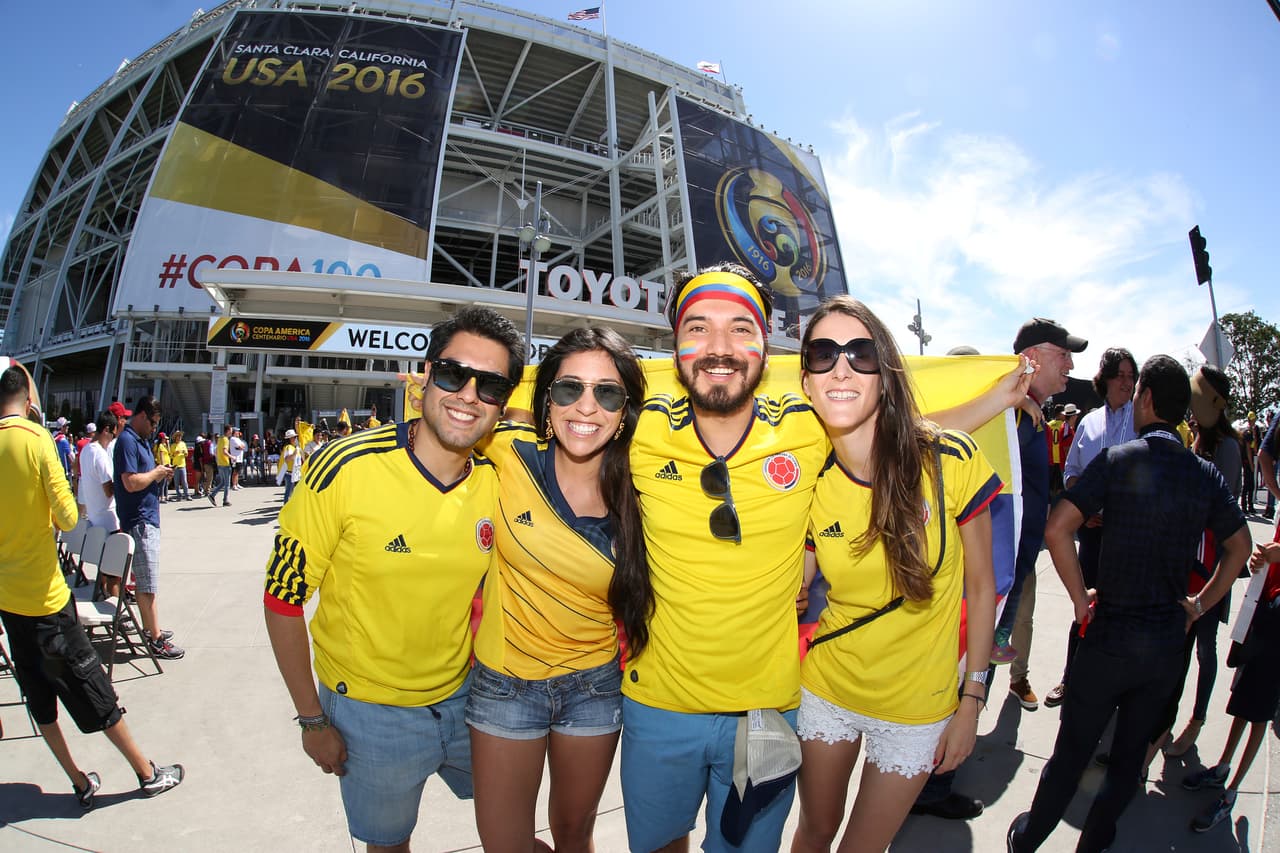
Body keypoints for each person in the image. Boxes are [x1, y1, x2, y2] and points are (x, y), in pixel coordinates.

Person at [263, 306, 524, 853]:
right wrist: (312, 721)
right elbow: (283, 603)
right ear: (426, 375)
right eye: (454, 374)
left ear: (503, 401)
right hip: (367, 714)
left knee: (514, 833)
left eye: (491, 385)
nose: (468, 396)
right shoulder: (344, 467)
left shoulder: (499, 481)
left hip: (467, 698)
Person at [621, 263, 830, 852]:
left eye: (741, 328)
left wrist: (997, 397)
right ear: (674, 347)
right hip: (657, 708)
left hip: (765, 714)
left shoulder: (807, 429)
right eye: (698, 328)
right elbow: (544, 420)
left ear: (767, 345)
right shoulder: (639, 429)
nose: (719, 349)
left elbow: (897, 437)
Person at [1007, 355, 1251, 853]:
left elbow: (1057, 527)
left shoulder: (1120, 460)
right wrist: (1199, 606)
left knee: (1072, 753)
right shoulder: (1204, 473)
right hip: (1164, 646)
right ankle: (1093, 845)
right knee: (1126, 762)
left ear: (1144, 399)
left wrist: (1080, 599)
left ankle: (1030, 839)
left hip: (1110, 632)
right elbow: (1240, 547)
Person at [789, 297, 1000, 852]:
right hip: (828, 690)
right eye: (823, 354)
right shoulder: (809, 483)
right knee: (812, 833)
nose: (841, 367)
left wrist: (971, 700)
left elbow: (982, 590)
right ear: (806, 380)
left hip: (919, 707)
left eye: (860, 353)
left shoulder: (949, 459)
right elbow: (794, 588)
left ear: (885, 375)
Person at [467, 327, 649, 853]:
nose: (586, 407)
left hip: (593, 690)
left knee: (574, 836)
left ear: (624, 412)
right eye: (569, 389)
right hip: (504, 686)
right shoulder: (506, 452)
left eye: (607, 393)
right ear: (547, 401)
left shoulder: (646, 493)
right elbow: (445, 418)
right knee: (505, 843)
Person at [0, 364, 183, 807]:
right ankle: (145, 771)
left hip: (8, 600)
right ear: (29, 399)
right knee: (93, 688)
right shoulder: (35, 438)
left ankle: (79, 780)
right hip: (45, 596)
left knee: (38, 694)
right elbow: (67, 517)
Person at [1045, 346, 1138, 708]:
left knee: (1123, 610)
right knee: (1084, 605)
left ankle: (1115, 692)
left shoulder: (1141, 420)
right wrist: (1082, 508)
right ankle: (1072, 678)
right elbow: (1071, 473)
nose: (1126, 383)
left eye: (1131, 376)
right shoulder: (1089, 422)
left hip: (1129, 536)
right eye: (1120, 375)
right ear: (1105, 379)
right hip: (1092, 533)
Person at [1162, 366, 1244, 759]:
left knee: (1204, 647)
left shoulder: (1227, 446)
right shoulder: (1195, 440)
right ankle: (1166, 719)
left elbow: (1222, 514)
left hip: (1214, 568)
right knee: (1180, 643)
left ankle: (1196, 720)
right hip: (1189, 565)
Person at [1181, 538, 1280, 832]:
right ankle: (1223, 768)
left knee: (1259, 713)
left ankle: (1231, 794)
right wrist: (1262, 562)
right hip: (1265, 609)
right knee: (1243, 702)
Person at [114, 395, 184, 660]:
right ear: (142, 416)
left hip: (145, 519)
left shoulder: (138, 440)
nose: (154, 428)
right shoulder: (128, 441)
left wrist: (155, 472)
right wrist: (155, 474)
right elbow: (130, 482)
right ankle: (154, 639)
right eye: (153, 423)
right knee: (147, 584)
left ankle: (151, 628)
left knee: (148, 581)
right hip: (140, 521)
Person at [78, 409, 123, 598]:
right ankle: (115, 612)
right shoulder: (101, 455)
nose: (113, 438)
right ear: (106, 430)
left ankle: (104, 596)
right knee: (115, 575)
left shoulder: (86, 450)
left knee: (104, 571)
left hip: (95, 519)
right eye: (113, 434)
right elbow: (108, 490)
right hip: (109, 521)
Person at [211, 424, 232, 507]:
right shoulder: (226, 439)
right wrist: (232, 457)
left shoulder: (219, 439)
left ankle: (212, 495)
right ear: (228, 431)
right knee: (227, 484)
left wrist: (218, 460)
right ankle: (225, 500)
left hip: (220, 463)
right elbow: (224, 451)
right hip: (225, 463)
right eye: (231, 431)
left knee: (223, 482)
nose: (231, 432)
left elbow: (216, 451)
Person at [277, 428, 301, 502]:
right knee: (289, 492)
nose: (296, 438)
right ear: (291, 438)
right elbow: (287, 459)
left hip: (293, 472)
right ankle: (286, 507)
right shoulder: (289, 447)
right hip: (290, 473)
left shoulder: (291, 447)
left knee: (291, 492)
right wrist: (295, 453)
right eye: (294, 437)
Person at [170, 430, 191, 501]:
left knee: (184, 481)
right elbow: (171, 456)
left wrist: (185, 453)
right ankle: (179, 496)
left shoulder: (183, 444)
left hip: (182, 465)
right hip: (175, 466)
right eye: (178, 436)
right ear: (175, 437)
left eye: (180, 436)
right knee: (176, 482)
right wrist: (175, 453)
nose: (179, 438)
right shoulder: (172, 445)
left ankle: (187, 495)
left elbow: (186, 454)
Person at [154, 432, 172, 503]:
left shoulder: (164, 445)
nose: (166, 440)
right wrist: (163, 465)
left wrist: (168, 445)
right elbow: (161, 456)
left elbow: (169, 453)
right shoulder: (160, 446)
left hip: (167, 464)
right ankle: (161, 497)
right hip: (164, 465)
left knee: (166, 482)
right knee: (163, 483)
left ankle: (166, 496)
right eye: (165, 438)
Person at [229, 427, 246, 491]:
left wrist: (241, 447)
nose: (238, 433)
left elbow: (243, 446)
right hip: (235, 458)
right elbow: (240, 446)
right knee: (235, 472)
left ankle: (237, 483)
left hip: (239, 458)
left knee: (238, 472)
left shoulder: (237, 439)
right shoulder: (233, 439)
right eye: (237, 431)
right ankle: (233, 485)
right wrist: (240, 447)